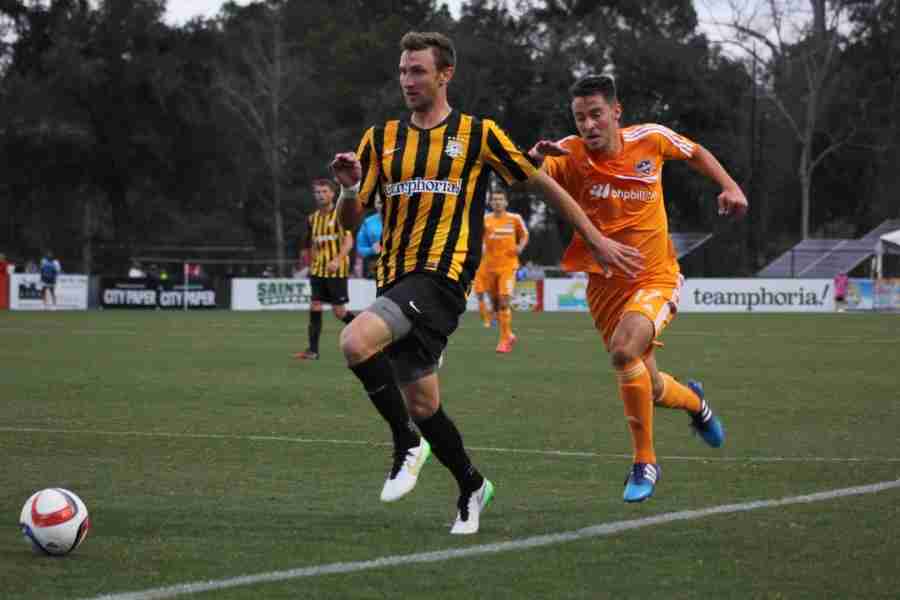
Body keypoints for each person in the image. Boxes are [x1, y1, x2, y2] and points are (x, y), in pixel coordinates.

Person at [330, 31, 626, 534]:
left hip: (441, 280)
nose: (408, 79)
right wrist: (350, 188)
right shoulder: (380, 140)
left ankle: (404, 443)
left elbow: (543, 183)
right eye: (403, 70)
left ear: (445, 74)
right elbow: (348, 221)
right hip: (395, 280)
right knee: (424, 406)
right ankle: (471, 485)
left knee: (355, 339)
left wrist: (594, 238)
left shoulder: (478, 133)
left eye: (418, 70)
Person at [528, 74, 748, 503]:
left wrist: (730, 185)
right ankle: (696, 404)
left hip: (656, 277)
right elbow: (528, 178)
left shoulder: (651, 139)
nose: (588, 125)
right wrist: (532, 159)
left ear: (616, 112)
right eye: (579, 118)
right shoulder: (568, 153)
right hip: (604, 288)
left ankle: (644, 461)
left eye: (595, 114)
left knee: (624, 351)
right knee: (652, 385)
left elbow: (696, 152)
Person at [294, 179, 357, 360]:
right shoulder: (312, 219)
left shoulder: (340, 215)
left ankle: (368, 333)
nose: (320, 195)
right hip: (318, 270)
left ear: (332, 194)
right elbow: (311, 244)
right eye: (317, 192)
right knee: (315, 305)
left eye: (324, 191)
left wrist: (337, 260)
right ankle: (313, 351)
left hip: (336, 270)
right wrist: (309, 263)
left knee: (339, 312)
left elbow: (348, 241)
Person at [479, 188, 529, 353]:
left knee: (504, 300)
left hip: (508, 266)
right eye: (495, 200)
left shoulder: (515, 219)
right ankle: (509, 334)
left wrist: (520, 247)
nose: (498, 202)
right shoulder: (485, 220)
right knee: (495, 305)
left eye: (500, 199)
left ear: (506, 202)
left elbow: (525, 235)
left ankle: (504, 341)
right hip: (489, 268)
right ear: (491, 203)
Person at [355, 194, 383, 279]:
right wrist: (371, 250)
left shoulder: (403, 219)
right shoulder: (368, 222)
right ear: (374, 204)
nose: (383, 205)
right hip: (374, 270)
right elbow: (360, 249)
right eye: (380, 202)